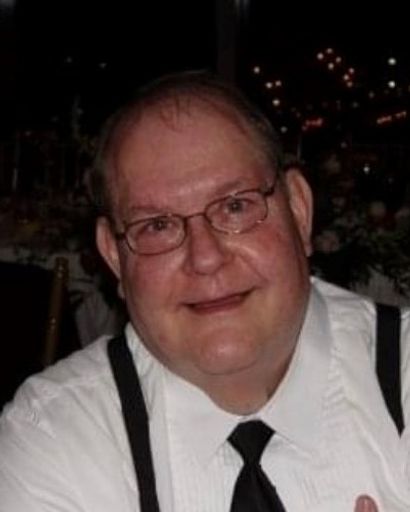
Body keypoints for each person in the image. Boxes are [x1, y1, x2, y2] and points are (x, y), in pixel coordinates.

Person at [0, 71, 408, 512]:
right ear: (114, 256)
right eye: (157, 225)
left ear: (299, 210)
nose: (206, 257)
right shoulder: (56, 436)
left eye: (235, 205)